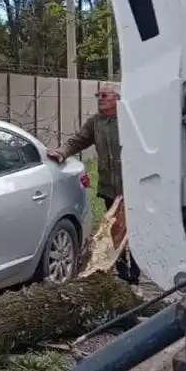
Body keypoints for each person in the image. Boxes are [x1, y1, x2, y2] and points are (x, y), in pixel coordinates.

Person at [46, 83, 139, 285]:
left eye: (104, 95)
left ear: (117, 98)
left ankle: (136, 273)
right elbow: (78, 141)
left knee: (134, 232)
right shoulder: (96, 122)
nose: (100, 98)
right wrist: (61, 152)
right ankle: (123, 275)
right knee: (115, 233)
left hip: (131, 189)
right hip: (109, 189)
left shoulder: (129, 121)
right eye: (98, 95)